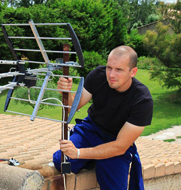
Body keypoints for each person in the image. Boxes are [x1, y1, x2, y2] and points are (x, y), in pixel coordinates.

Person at [53, 45, 153, 190]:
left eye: (119, 70)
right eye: (109, 67)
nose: (111, 75)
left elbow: (120, 146)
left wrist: (79, 153)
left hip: (115, 141)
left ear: (133, 72)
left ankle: (94, 156)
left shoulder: (142, 101)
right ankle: (94, 157)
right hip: (91, 130)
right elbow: (71, 108)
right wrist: (66, 92)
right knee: (59, 162)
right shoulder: (98, 76)